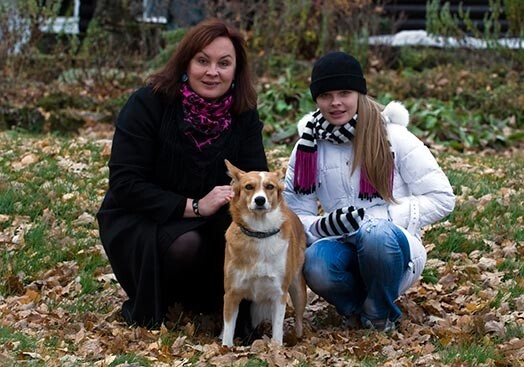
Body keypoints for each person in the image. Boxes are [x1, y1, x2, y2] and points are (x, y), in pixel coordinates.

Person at [97, 18, 268, 331]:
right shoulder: (148, 103)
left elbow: (254, 178)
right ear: (186, 63)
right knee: (185, 243)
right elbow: (125, 184)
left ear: (236, 71)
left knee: (240, 229)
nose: (212, 72)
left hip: (214, 215)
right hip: (144, 215)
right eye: (202, 61)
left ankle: (222, 303)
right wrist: (195, 206)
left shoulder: (243, 113)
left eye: (223, 63)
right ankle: (165, 300)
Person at [283, 51, 455, 331]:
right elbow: (294, 214)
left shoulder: (393, 135)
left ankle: (378, 314)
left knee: (374, 234)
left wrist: (381, 219)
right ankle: (356, 308)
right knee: (315, 262)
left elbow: (442, 198)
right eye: (326, 95)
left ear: (359, 93)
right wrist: (325, 225)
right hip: (339, 243)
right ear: (316, 99)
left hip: (393, 248)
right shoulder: (307, 146)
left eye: (344, 92)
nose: (335, 102)